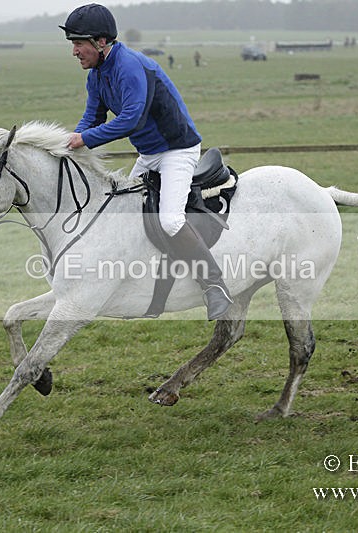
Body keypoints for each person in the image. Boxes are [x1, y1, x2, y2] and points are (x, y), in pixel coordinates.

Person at [60, 3, 232, 320]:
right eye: (72, 43)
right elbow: (92, 117)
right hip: (150, 155)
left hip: (178, 152)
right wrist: (70, 142)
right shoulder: (97, 74)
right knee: (123, 214)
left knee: (170, 221)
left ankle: (214, 286)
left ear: (100, 42)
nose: (74, 51)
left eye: (78, 43)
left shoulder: (129, 66)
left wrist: (83, 140)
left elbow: (130, 120)